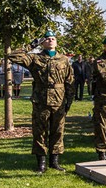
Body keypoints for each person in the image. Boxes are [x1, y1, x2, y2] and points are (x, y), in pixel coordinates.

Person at [8, 30, 74, 173]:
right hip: (41, 100)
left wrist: (69, 100)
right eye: (47, 39)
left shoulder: (64, 60)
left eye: (53, 38)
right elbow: (12, 56)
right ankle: (41, 163)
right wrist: (31, 45)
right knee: (40, 131)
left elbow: (69, 81)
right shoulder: (34, 59)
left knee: (58, 131)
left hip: (59, 100)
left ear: (56, 42)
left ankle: (54, 161)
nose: (50, 40)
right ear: (43, 43)